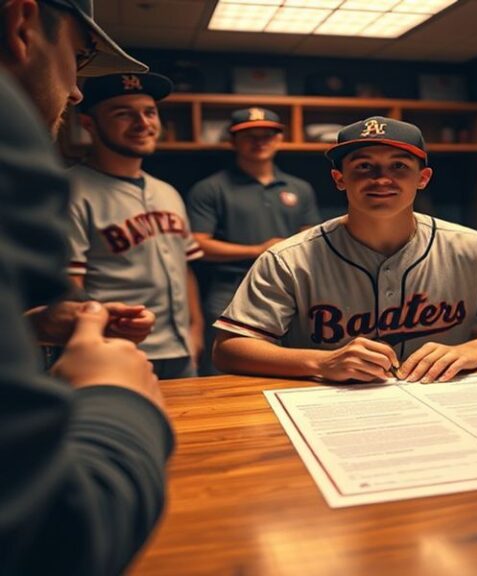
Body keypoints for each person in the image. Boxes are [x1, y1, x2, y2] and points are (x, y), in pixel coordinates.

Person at [0, 0, 172, 574]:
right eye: (76, 57)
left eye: (150, 112)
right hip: (114, 364)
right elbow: (51, 532)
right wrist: (112, 398)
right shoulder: (36, 163)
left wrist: (30, 328)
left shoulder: (167, 192)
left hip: (161, 350)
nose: (75, 91)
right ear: (20, 25)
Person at [212, 116, 477, 383]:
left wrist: (475, 350)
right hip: (328, 406)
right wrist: (320, 362)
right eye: (364, 166)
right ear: (339, 179)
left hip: (439, 399)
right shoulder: (288, 259)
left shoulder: (474, 248)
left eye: (399, 166)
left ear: (422, 179)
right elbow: (229, 349)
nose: (381, 179)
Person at [67, 72, 205, 379]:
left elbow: (184, 268)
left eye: (149, 112)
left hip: (180, 350)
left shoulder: (167, 191)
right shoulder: (69, 191)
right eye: (123, 114)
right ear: (89, 124)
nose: (143, 123)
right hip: (113, 351)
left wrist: (195, 330)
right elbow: (69, 286)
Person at [186, 107, 320, 374]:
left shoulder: (299, 188)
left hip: (289, 290)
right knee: (224, 370)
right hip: (230, 289)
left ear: (280, 139)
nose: (260, 141)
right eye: (250, 136)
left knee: (287, 366)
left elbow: (312, 240)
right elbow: (197, 245)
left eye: (268, 135)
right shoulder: (211, 188)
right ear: (232, 141)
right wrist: (257, 250)